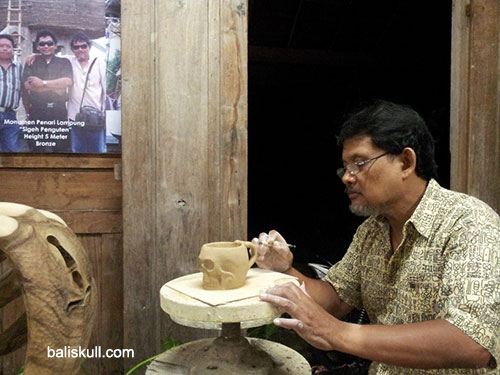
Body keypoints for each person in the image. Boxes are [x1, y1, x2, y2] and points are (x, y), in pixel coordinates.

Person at [252, 100, 500, 374]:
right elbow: (335, 299)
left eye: (359, 163)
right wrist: (284, 269)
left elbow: (472, 341)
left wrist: (337, 333)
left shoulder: (469, 223)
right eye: (345, 167)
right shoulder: (372, 230)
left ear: (406, 162)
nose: (347, 177)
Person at [22, 30, 73, 152]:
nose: (46, 46)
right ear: (37, 47)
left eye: (49, 43)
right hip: (37, 111)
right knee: (36, 149)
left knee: (60, 149)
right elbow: (28, 86)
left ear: (55, 46)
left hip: (58, 112)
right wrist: (56, 87)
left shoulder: (64, 62)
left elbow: (67, 82)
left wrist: (42, 83)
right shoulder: (31, 62)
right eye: (42, 44)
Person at [67, 32, 106, 153]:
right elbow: (50, 55)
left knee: (97, 152)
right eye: (76, 47)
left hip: (95, 118)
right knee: (77, 152)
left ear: (89, 47)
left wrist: (103, 113)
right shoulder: (69, 62)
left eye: (83, 46)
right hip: (75, 117)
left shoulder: (99, 62)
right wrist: (34, 56)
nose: (80, 49)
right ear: (72, 49)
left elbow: (106, 90)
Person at [0, 34, 23, 152]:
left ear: (13, 50)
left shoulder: (20, 68)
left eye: (8, 46)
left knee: (12, 151)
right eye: (1, 46)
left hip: (10, 115)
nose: (4, 48)